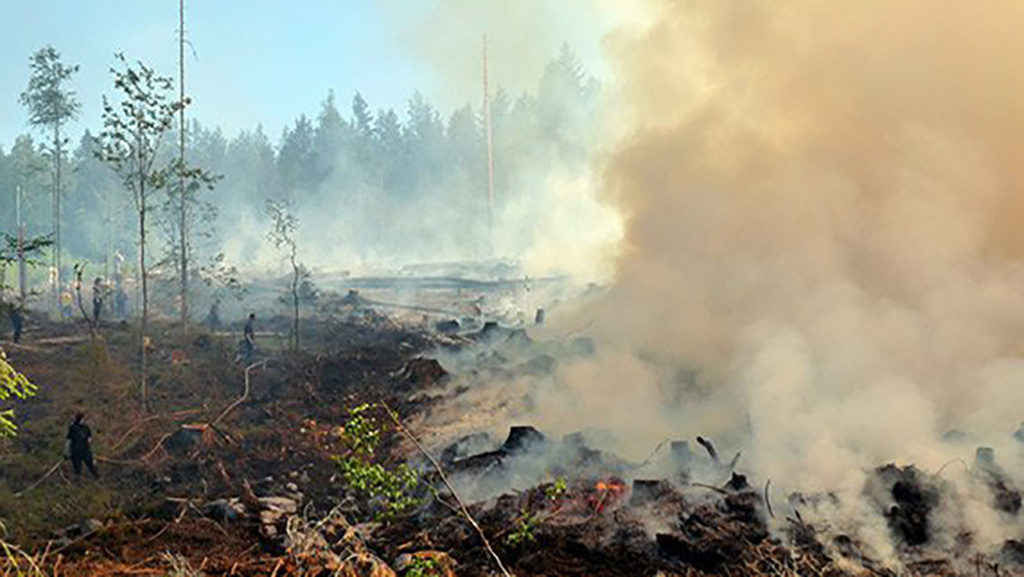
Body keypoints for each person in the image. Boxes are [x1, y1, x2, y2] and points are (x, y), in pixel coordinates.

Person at [66, 412, 99, 479]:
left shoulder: (77, 428)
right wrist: (67, 452)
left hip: (81, 451)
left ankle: (96, 476)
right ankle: (79, 480)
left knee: (87, 465)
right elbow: (69, 441)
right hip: (79, 451)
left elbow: (89, 439)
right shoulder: (75, 428)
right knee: (81, 467)